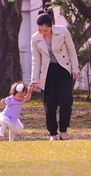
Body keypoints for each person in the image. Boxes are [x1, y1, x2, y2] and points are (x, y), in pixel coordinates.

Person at [29, 10, 80, 141]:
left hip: (63, 69)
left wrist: (75, 69)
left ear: (51, 26)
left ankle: (63, 131)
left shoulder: (62, 31)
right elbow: (36, 60)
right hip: (46, 72)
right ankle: (53, 133)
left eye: (45, 30)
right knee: (49, 104)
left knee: (65, 101)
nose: (42, 33)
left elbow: (71, 50)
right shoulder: (35, 38)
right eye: (39, 30)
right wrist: (34, 80)